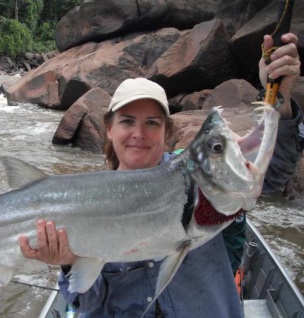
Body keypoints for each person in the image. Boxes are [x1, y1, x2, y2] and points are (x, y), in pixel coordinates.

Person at [19, 33, 303, 317]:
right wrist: (69, 262)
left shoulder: (201, 175)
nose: (139, 134)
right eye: (127, 121)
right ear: (109, 129)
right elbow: (90, 305)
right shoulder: (86, 202)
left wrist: (278, 94)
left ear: (167, 131)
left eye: (152, 123)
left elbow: (272, 170)